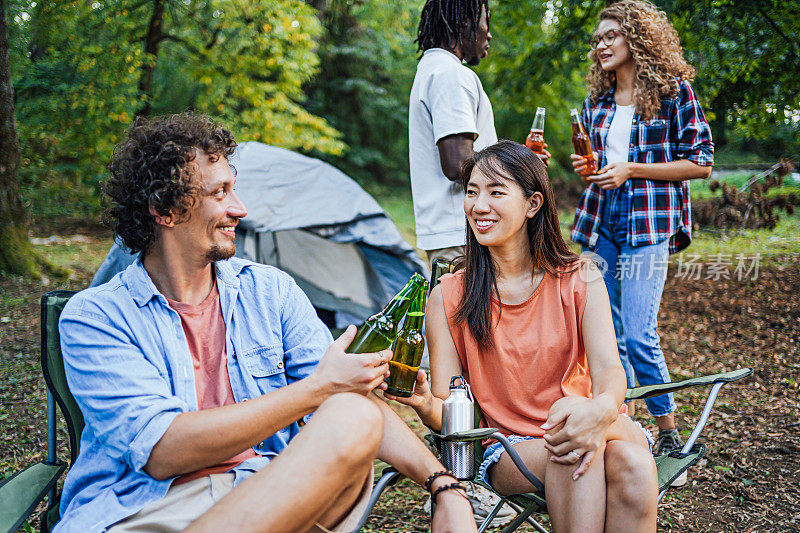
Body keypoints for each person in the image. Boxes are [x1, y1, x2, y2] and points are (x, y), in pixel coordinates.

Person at [55, 113, 476, 533]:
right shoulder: (96, 317)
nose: (240, 209)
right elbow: (164, 451)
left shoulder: (270, 292)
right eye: (220, 193)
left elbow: (353, 399)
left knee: (355, 414)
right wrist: (319, 388)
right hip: (151, 509)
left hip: (269, 491)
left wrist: (444, 486)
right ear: (164, 209)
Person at [388, 140, 658, 532]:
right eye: (472, 192)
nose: (479, 206)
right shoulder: (448, 296)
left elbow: (609, 372)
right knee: (570, 444)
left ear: (533, 204)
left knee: (629, 463)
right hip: (508, 451)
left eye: (496, 192)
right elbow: (451, 413)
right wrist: (424, 402)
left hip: (593, 421)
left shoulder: (580, 277)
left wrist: (599, 411)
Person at [569, 0, 714, 474]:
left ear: (638, 37)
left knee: (637, 330)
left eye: (611, 35)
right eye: (597, 40)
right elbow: (598, 166)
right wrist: (588, 168)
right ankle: (624, 427)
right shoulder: (598, 104)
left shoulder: (675, 94)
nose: (601, 45)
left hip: (648, 224)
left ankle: (669, 432)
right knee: (603, 335)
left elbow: (701, 162)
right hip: (602, 222)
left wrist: (631, 169)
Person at [408, 0, 497, 267]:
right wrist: (517, 171)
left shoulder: (432, 69)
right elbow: (459, 165)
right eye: (486, 23)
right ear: (467, 22)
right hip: (464, 234)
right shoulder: (450, 74)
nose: (489, 34)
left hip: (453, 233)